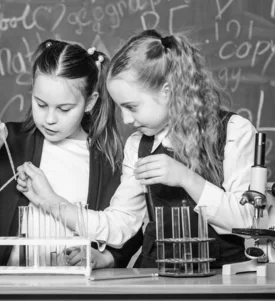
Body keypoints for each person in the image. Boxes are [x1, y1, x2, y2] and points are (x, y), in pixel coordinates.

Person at [0, 39, 144, 269]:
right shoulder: (11, 141)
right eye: (41, 104)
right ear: (32, 90)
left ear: (90, 102)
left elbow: (128, 228)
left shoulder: (106, 158)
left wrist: (106, 258)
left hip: (77, 290)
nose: (50, 119)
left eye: (64, 109)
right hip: (9, 286)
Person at [104, 29, 256, 268]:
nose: (125, 119)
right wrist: (54, 203)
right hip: (155, 277)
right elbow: (123, 220)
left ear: (167, 91)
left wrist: (186, 178)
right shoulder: (138, 145)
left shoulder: (235, 131)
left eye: (131, 107)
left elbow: (248, 223)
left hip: (220, 280)